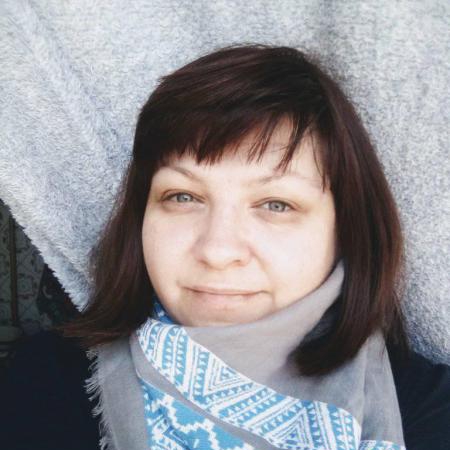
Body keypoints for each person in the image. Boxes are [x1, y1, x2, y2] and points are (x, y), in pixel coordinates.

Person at [1, 44, 449, 450]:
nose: (217, 251)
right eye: (183, 197)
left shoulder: (431, 411)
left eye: (276, 204)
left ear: (346, 229)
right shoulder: (45, 384)